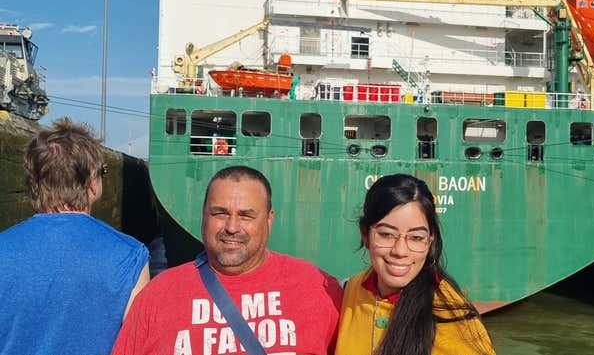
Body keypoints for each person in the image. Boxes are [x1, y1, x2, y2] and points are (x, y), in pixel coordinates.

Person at [112, 166, 342, 355]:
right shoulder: (157, 296)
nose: (232, 227)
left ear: (269, 220)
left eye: (246, 215)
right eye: (220, 213)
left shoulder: (317, 288)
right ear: (204, 215)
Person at [0, 118, 150, 355]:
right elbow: (140, 345)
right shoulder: (130, 256)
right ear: (92, 182)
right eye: (103, 172)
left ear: (33, 182)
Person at [335, 173, 496, 355]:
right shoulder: (350, 291)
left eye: (416, 238)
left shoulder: (452, 320)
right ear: (365, 234)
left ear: (429, 241)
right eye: (386, 234)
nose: (400, 251)